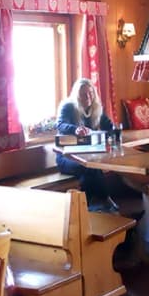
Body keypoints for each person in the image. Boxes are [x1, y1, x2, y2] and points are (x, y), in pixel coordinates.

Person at [55, 78, 118, 212]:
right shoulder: (68, 106)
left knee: (91, 167)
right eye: (84, 94)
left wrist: (111, 132)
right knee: (90, 167)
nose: (88, 97)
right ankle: (102, 200)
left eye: (90, 93)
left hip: (86, 154)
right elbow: (60, 124)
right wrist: (75, 129)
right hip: (66, 156)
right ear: (77, 95)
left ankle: (87, 206)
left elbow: (110, 127)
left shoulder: (95, 108)